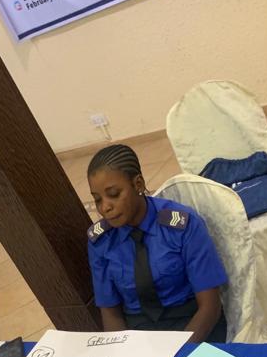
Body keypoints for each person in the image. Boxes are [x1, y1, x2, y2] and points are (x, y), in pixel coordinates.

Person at [86, 144, 228, 343]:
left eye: (114, 194)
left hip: (192, 325)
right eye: (97, 199)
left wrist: (178, 354)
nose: (105, 207)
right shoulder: (101, 241)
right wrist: (120, 354)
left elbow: (210, 307)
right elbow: (111, 313)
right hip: (140, 333)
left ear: (138, 184)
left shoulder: (182, 226)